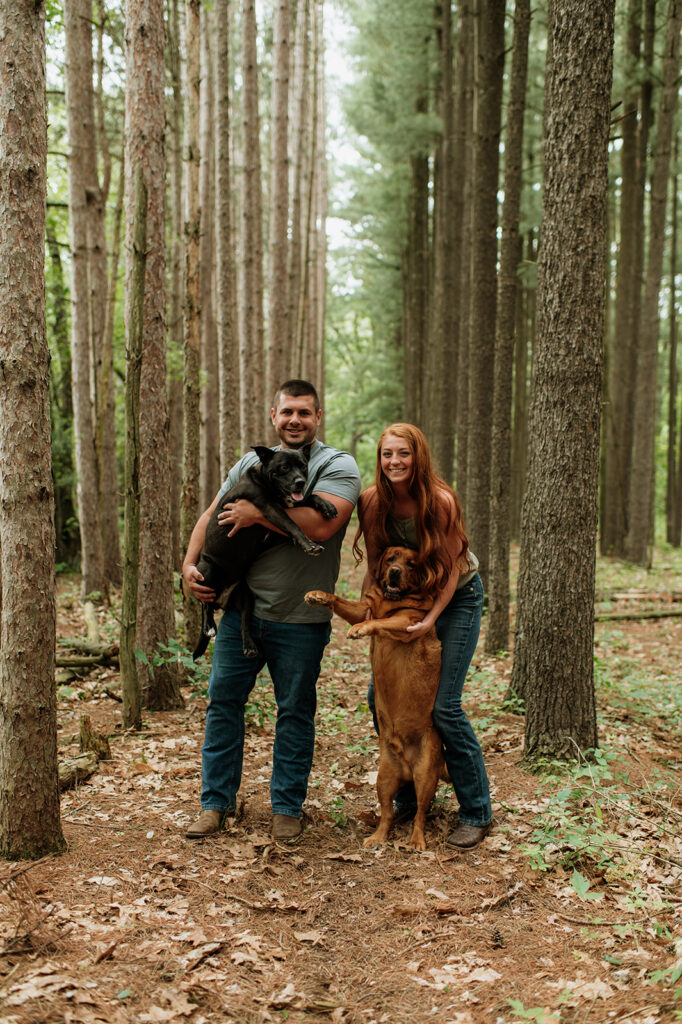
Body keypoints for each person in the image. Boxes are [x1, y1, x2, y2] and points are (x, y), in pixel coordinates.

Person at [183, 380, 361, 840]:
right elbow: (212, 513)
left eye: (304, 412)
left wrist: (256, 515)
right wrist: (187, 565)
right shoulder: (251, 462)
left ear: (317, 416)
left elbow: (323, 524)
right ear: (273, 416)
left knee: (295, 711)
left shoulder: (337, 464)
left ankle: (286, 808)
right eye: (287, 412)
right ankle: (214, 806)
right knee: (223, 706)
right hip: (244, 609)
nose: (295, 420)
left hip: (300, 616)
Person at [353, 423, 493, 849]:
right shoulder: (373, 501)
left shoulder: (440, 502)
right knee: (378, 699)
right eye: (386, 454)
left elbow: (451, 570)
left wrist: (432, 618)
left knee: (445, 707)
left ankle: (476, 811)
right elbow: (376, 565)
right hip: (406, 599)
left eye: (403, 454)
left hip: (456, 598)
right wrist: (367, 610)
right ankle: (412, 796)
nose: (394, 462)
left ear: (419, 457)